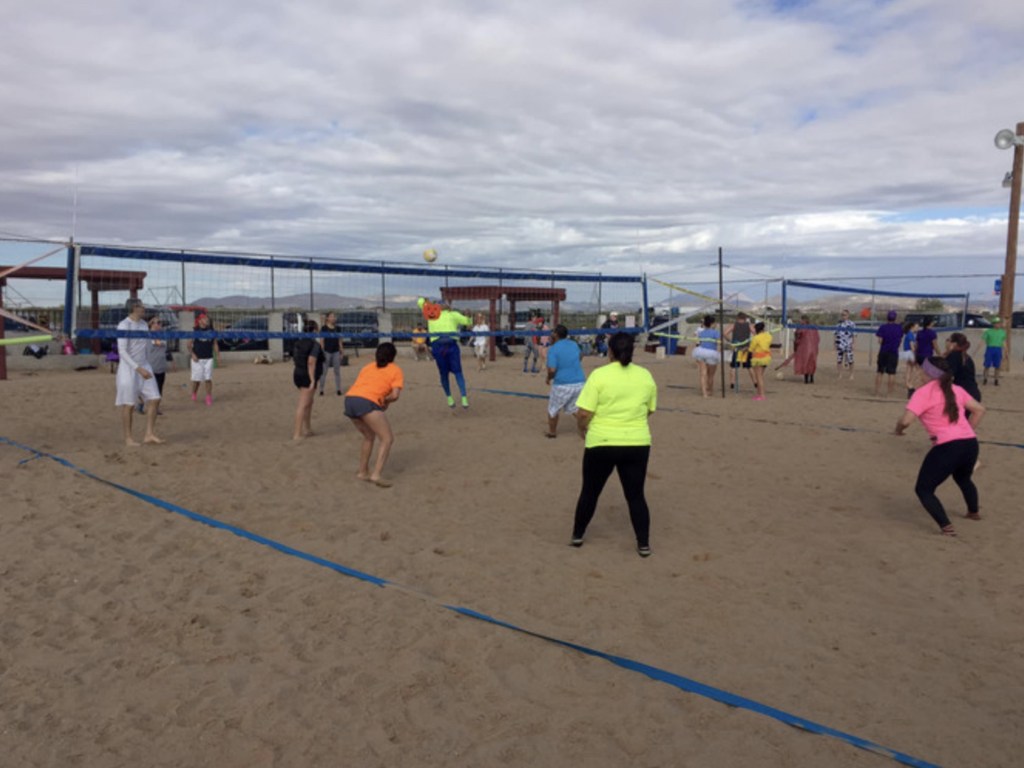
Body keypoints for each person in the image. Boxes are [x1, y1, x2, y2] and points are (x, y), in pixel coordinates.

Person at [571, 332, 657, 557]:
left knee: (590, 492)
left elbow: (583, 413)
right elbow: (648, 410)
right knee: (636, 495)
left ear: (609, 351)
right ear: (632, 351)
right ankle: (643, 544)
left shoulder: (599, 375)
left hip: (602, 441)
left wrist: (582, 429)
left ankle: (577, 535)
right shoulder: (645, 376)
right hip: (637, 442)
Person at [894, 356, 985, 537]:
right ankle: (973, 512)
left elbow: (906, 420)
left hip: (948, 447)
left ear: (928, 373)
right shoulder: (955, 389)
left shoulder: (922, 393)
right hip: (970, 444)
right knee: (963, 478)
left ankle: (946, 527)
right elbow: (980, 410)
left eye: (921, 369)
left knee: (924, 489)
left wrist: (898, 430)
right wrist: (967, 430)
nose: (919, 372)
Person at [344, 342, 403, 487]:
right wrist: (387, 401)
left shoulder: (367, 367)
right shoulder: (395, 370)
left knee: (369, 437)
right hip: (367, 402)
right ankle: (376, 475)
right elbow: (395, 395)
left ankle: (362, 472)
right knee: (387, 438)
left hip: (350, 400)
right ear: (393, 357)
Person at [115, 298, 163, 446]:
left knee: (155, 398)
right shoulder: (124, 325)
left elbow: (144, 347)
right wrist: (138, 369)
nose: (144, 308)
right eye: (142, 306)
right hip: (129, 368)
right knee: (129, 405)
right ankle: (129, 438)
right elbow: (122, 351)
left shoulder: (143, 324)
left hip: (144, 365)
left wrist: (145, 366)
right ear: (135, 308)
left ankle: (149, 434)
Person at [418, 297, 471, 408]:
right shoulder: (432, 314)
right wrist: (425, 299)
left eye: (443, 303)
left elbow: (467, 322)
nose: (441, 305)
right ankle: (449, 397)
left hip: (451, 346)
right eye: (439, 303)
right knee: (444, 374)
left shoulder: (453, 315)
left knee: (458, 372)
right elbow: (420, 302)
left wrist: (469, 316)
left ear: (448, 306)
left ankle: (464, 398)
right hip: (438, 346)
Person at [544, 324, 586, 437]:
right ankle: (588, 429)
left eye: (553, 331)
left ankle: (552, 432)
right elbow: (581, 356)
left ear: (556, 334)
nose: (551, 333)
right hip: (580, 381)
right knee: (574, 408)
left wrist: (548, 378)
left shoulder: (553, 349)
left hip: (563, 384)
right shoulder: (573, 344)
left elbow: (552, 370)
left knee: (553, 409)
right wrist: (572, 365)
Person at [292, 319, 326, 440]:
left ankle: (307, 429)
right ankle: (297, 434)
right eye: (317, 329)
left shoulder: (299, 342)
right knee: (303, 404)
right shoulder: (314, 344)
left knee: (309, 402)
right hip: (307, 376)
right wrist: (312, 380)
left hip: (298, 373)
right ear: (314, 330)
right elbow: (311, 362)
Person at [138, 315, 176, 415]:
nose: (160, 324)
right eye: (158, 322)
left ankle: (156, 408)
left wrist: (172, 361)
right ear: (151, 324)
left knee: (159, 389)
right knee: (145, 389)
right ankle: (141, 404)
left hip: (161, 366)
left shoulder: (163, 336)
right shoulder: (147, 336)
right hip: (150, 366)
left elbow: (166, 350)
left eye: (160, 322)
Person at [188, 313, 218, 406]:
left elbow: (215, 343)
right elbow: (188, 344)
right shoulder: (195, 331)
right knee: (196, 380)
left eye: (207, 319)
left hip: (208, 357)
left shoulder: (211, 331)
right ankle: (194, 393)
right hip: (197, 358)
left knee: (208, 378)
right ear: (200, 321)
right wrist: (193, 354)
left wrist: (218, 355)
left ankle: (208, 397)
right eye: (205, 318)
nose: (207, 320)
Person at [944, 332, 981, 403]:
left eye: (948, 340)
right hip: (972, 392)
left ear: (954, 344)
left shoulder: (954, 356)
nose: (946, 342)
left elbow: (946, 374)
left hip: (964, 393)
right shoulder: (965, 356)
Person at [874, 310, 904, 398]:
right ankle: (889, 394)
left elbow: (880, 340)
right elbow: (900, 339)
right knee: (892, 373)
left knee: (880, 372)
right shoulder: (899, 328)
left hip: (884, 350)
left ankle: (877, 393)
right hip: (893, 351)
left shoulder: (883, 327)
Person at [692, 314, 721, 398]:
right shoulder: (716, 332)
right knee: (710, 375)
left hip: (701, 352)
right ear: (712, 324)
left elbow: (698, 342)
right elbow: (719, 343)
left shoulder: (701, 332)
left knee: (703, 374)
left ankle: (704, 393)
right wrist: (718, 353)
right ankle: (710, 391)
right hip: (711, 353)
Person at [318, 312, 345, 397]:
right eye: (331, 316)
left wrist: (342, 352)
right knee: (324, 372)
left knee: (337, 371)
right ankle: (321, 390)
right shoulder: (324, 328)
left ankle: (338, 389)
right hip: (327, 352)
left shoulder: (338, 328)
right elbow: (322, 341)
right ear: (327, 318)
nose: (333, 318)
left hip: (336, 351)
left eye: (334, 316)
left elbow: (340, 341)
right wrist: (322, 353)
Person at [723, 312, 752, 389]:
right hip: (746, 347)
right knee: (749, 366)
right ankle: (755, 382)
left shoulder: (734, 325)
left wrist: (729, 341)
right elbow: (756, 333)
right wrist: (751, 342)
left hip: (736, 347)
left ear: (738, 317)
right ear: (745, 318)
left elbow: (725, 333)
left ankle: (732, 383)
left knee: (734, 366)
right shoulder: (749, 325)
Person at [748, 321, 772, 400]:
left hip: (758, 358)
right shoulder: (769, 336)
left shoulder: (756, 338)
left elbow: (751, 348)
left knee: (759, 377)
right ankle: (759, 393)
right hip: (766, 357)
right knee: (760, 376)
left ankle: (762, 394)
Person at [793, 315, 820, 384]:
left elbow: (798, 335)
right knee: (812, 362)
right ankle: (811, 378)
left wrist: (796, 345)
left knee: (805, 362)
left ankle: (806, 379)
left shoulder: (801, 327)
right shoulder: (813, 327)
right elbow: (818, 338)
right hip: (813, 348)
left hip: (804, 347)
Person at [980, 317, 1007, 386]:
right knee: (987, 365)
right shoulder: (988, 331)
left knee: (997, 366)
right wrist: (977, 349)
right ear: (994, 324)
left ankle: (996, 380)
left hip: (998, 349)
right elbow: (983, 341)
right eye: (997, 323)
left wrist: (1006, 351)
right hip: (990, 348)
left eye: (999, 323)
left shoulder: (1003, 332)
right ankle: (985, 379)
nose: (998, 324)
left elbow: (1004, 342)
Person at [834, 309, 856, 380]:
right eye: (842, 315)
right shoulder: (839, 324)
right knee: (839, 360)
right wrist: (835, 343)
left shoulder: (852, 324)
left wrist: (853, 343)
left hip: (848, 343)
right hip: (840, 343)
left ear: (848, 315)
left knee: (850, 360)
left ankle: (851, 374)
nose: (844, 316)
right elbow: (835, 334)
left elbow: (854, 334)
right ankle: (840, 374)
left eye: (845, 315)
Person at [900, 320, 919, 398]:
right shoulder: (910, 334)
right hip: (910, 353)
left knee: (909, 368)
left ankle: (908, 382)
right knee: (917, 369)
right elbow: (912, 345)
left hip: (907, 352)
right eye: (916, 327)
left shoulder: (908, 334)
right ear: (912, 327)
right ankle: (911, 383)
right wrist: (915, 353)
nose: (917, 328)